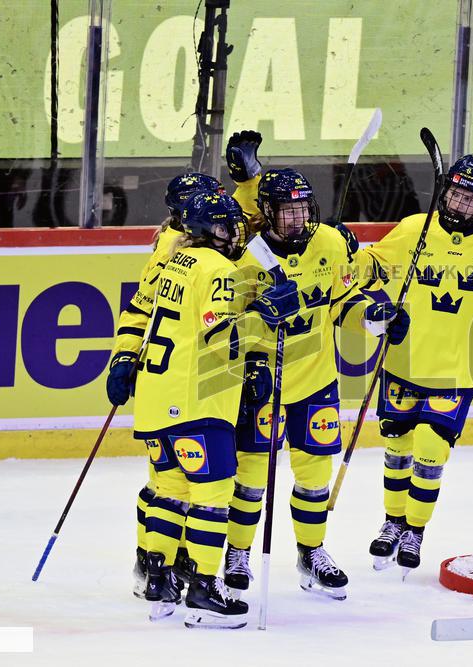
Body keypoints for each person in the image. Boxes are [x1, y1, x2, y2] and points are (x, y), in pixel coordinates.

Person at [219, 132, 409, 601]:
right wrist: (261, 316)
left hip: (317, 384)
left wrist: (374, 317)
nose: (300, 218)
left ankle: (311, 552)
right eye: (288, 211)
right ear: (266, 212)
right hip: (263, 384)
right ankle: (236, 553)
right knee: (248, 481)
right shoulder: (245, 257)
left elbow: (342, 299)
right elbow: (226, 326)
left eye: (305, 209)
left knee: (314, 478)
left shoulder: (328, 243)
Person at [116, 192, 299, 628]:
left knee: (170, 491)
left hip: (157, 400)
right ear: (205, 232)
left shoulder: (172, 263)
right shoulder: (219, 270)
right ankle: (202, 585)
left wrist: (257, 303)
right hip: (197, 400)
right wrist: (266, 316)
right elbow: (223, 342)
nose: (235, 232)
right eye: (225, 226)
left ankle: (158, 580)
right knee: (213, 497)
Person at [354, 155, 473, 574]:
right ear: (445, 190)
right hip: (404, 358)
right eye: (456, 194)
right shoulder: (414, 228)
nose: (461, 204)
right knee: (396, 449)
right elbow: (373, 264)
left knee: (431, 452)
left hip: (456, 368)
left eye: (471, 198)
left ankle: (415, 529)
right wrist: (346, 248)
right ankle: (392, 522)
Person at [106, 171, 226, 598]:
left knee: (170, 483)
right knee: (173, 485)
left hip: (180, 387)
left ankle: (161, 570)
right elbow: (142, 309)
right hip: (192, 386)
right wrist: (124, 354)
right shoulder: (174, 247)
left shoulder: (209, 236)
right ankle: (156, 564)